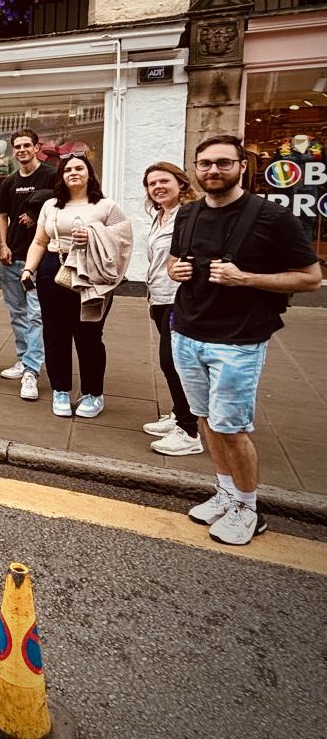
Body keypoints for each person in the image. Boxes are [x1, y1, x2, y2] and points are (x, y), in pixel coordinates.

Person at [168, 135, 320, 545]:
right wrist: (173, 271)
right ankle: (225, 493)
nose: (213, 171)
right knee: (205, 419)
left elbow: (310, 278)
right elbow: (174, 262)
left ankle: (249, 509)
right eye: (205, 164)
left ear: (241, 166)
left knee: (231, 428)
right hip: (187, 332)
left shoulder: (272, 217)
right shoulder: (188, 214)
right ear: (195, 168)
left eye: (223, 163)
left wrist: (246, 278)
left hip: (238, 341)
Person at [21, 154, 132, 419]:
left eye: (79, 168)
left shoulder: (106, 206)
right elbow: (39, 241)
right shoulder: (50, 205)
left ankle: (93, 393)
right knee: (55, 334)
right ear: (61, 176)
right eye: (67, 169)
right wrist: (28, 269)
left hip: (91, 273)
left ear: (89, 173)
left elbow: (124, 240)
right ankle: (61, 390)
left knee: (89, 335)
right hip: (53, 269)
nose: (73, 172)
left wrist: (94, 235)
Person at [141, 161, 203, 456]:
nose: (158, 187)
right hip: (159, 296)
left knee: (172, 361)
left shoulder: (190, 215)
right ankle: (180, 414)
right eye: (152, 184)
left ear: (181, 183)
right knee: (172, 361)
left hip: (179, 298)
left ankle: (189, 432)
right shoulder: (160, 215)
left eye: (164, 181)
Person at [0, 130, 57, 401]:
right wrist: (2, 245)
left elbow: (60, 207)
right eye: (17, 146)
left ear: (36, 147)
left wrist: (35, 214)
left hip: (38, 261)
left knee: (36, 315)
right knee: (17, 314)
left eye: (26, 145)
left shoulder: (51, 175)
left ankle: (32, 370)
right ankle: (23, 360)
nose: (21, 150)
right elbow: (3, 216)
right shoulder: (9, 182)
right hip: (11, 258)